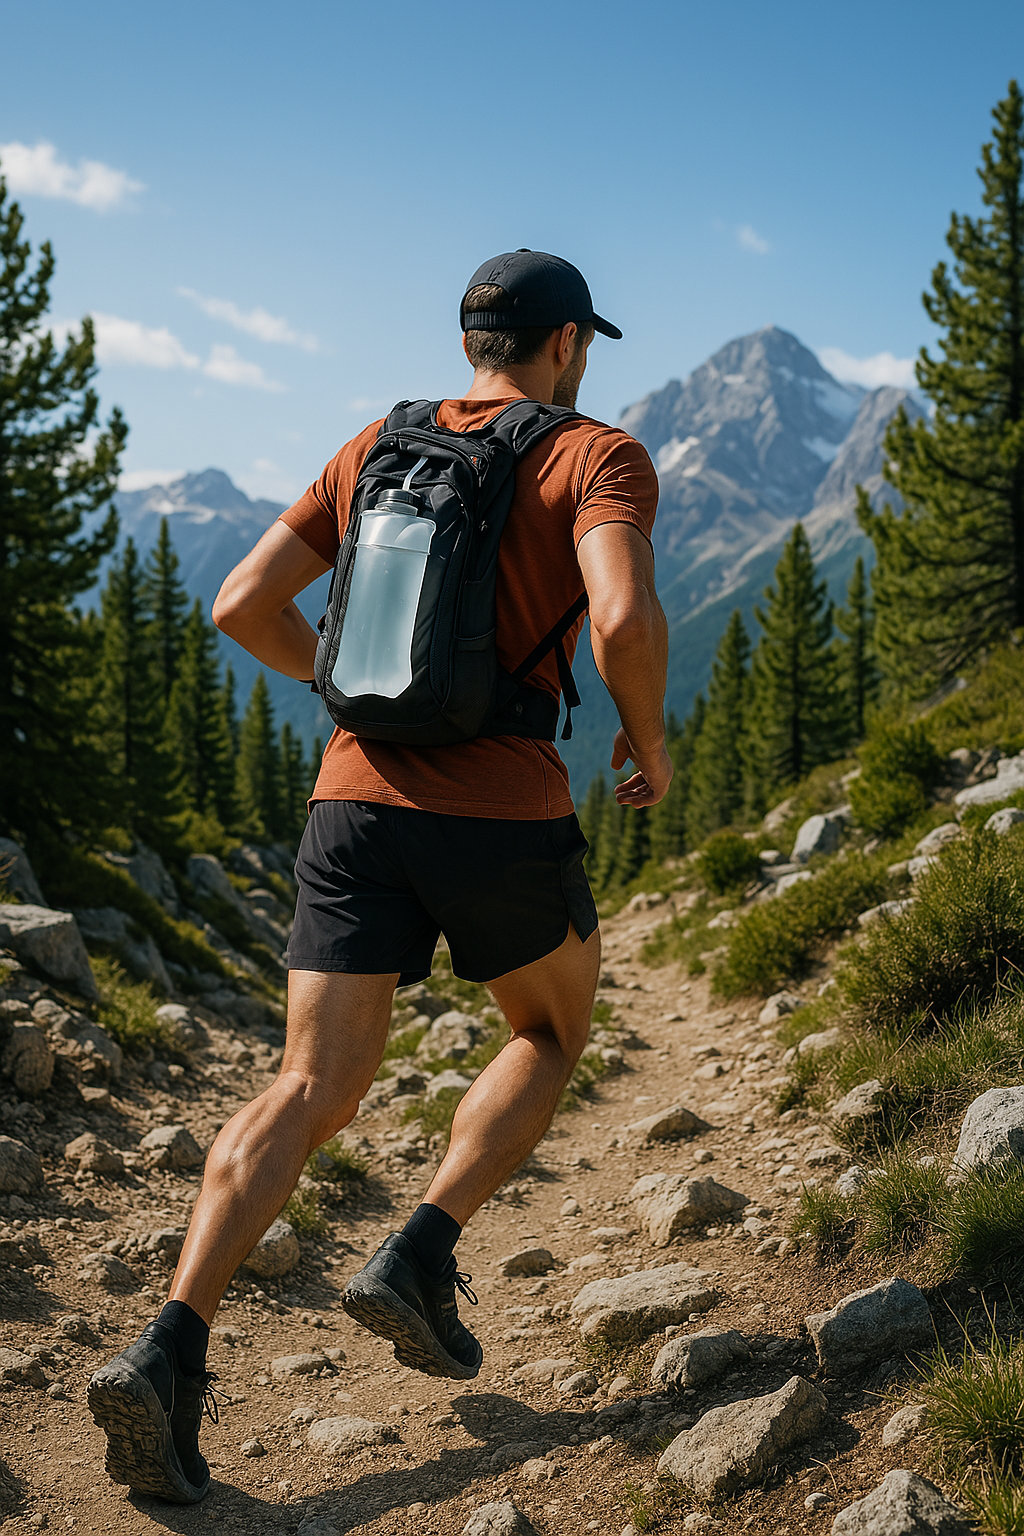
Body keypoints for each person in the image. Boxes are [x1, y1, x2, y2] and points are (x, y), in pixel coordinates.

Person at [88, 249, 671, 1504]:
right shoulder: (595, 455)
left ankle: (168, 1348)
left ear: (470, 343)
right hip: (500, 806)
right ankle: (419, 1249)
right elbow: (621, 620)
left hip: (351, 802)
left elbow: (240, 604)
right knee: (549, 1029)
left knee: (307, 1084)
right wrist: (648, 740)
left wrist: (359, 689)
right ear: (567, 343)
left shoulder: (376, 445)